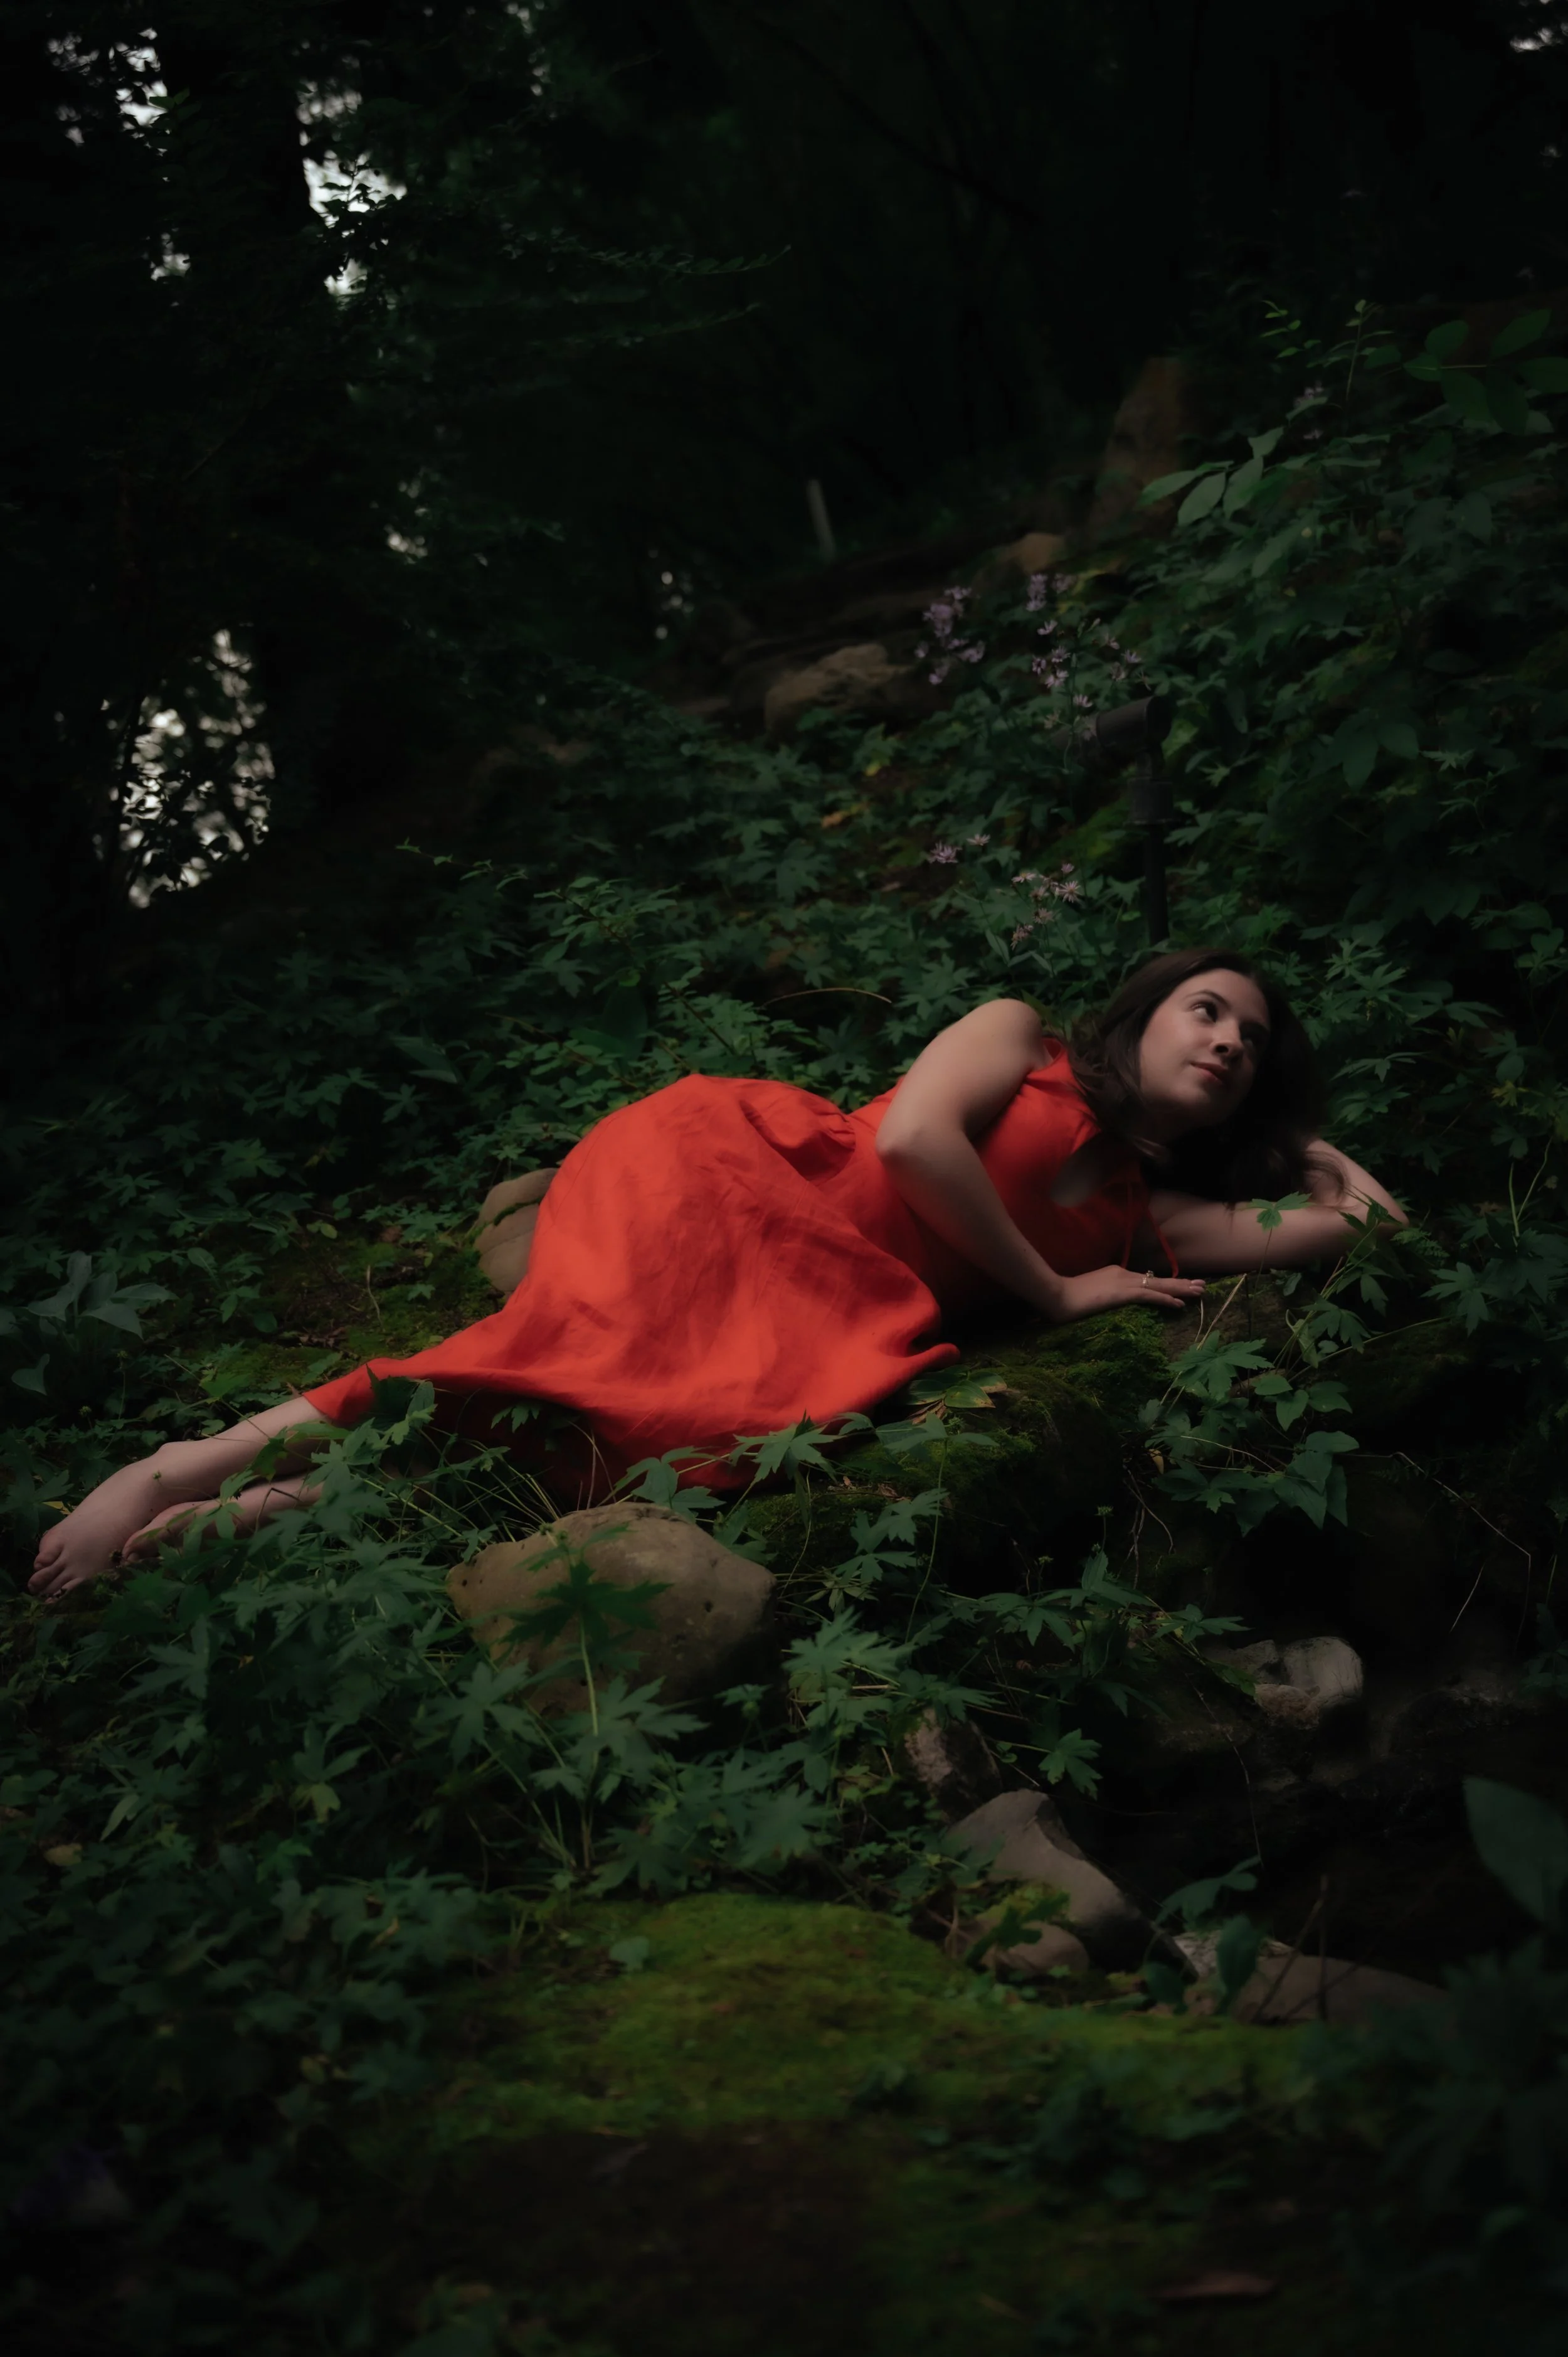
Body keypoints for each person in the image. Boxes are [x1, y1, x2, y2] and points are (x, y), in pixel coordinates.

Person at [27, 949, 1405, 1600]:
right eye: (1203, 1009)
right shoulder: (1020, 1039)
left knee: (619, 1445)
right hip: (743, 1191)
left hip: (824, 1322)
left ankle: (278, 1502)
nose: (1221, 1039)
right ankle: (178, 1461)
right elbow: (920, 1142)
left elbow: (1359, 1228)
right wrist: (1049, 1300)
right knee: (553, 1351)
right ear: (1143, 1010)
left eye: (1246, 1041)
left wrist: (1302, 1146)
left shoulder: (1148, 1216)